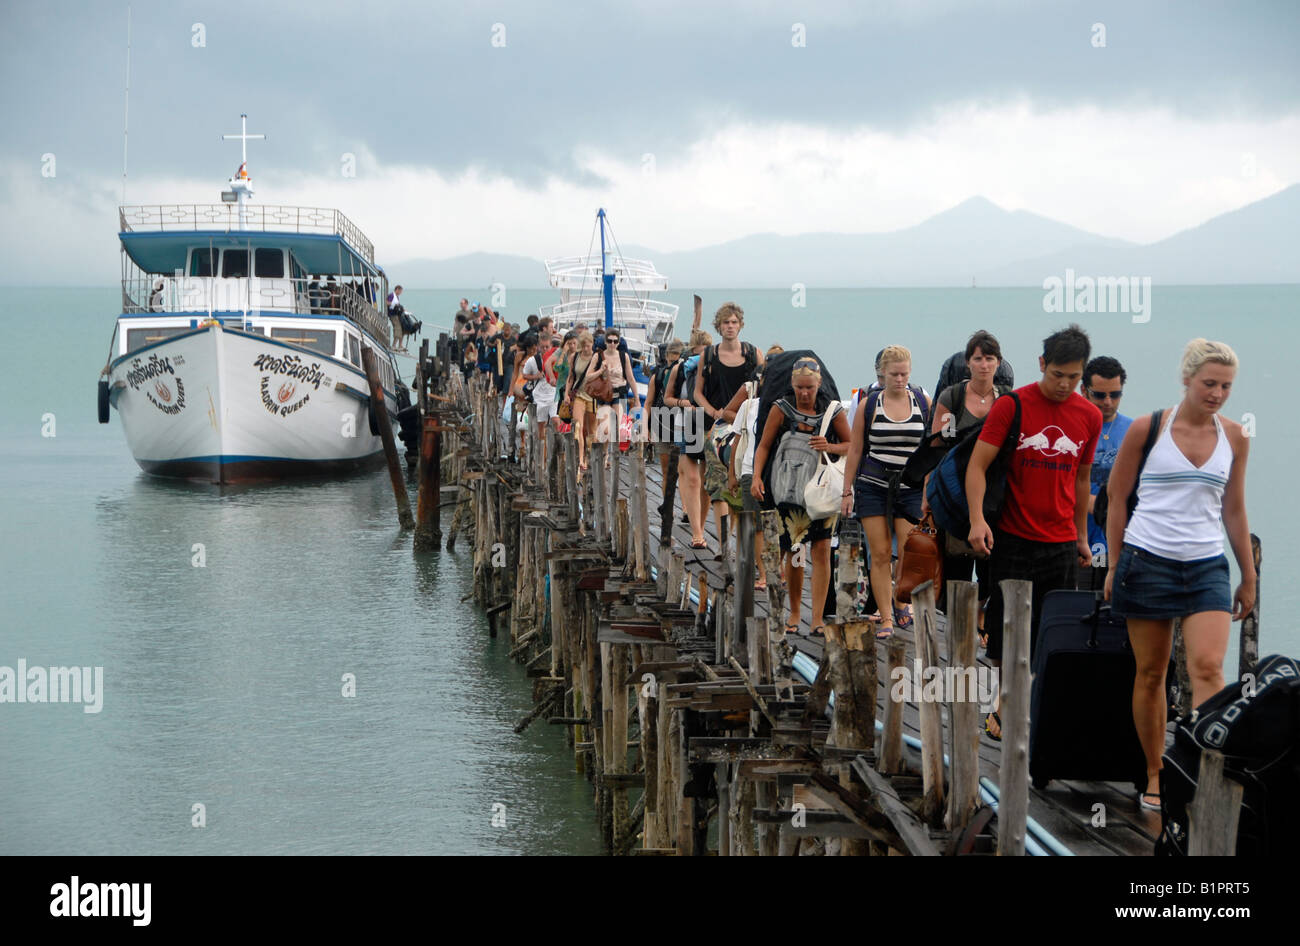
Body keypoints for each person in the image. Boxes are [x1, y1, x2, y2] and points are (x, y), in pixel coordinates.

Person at [1106, 339, 1252, 812]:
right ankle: (1155, 772)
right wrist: (1113, 563)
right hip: (1146, 560)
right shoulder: (1148, 430)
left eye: (1226, 386)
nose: (1217, 393)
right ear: (1187, 379)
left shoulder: (1234, 437)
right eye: (1209, 383)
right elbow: (1116, 497)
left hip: (1207, 564)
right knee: (1152, 673)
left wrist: (1247, 577)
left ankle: (1202, 770)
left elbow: (1233, 508)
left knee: (1208, 668)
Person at [967, 324, 1101, 741]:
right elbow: (977, 466)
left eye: (1074, 377)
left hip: (1060, 542)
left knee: (1052, 633)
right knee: (1008, 633)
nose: (1064, 385)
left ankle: (1039, 708)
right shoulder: (1013, 405)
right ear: (1042, 364)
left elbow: (1082, 481)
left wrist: (1081, 536)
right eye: (1057, 374)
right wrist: (977, 520)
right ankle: (1004, 708)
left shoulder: (1089, 416)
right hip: (1012, 537)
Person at [751, 357, 851, 636]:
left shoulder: (833, 411)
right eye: (799, 387)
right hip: (789, 491)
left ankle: (817, 617)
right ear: (792, 385)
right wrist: (757, 476)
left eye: (810, 387)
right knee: (794, 551)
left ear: (819, 384)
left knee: (821, 550)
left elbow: (851, 445)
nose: (805, 393)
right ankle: (795, 612)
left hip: (821, 492)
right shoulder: (780, 410)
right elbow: (764, 445)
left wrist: (829, 445)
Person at [927, 330, 1011, 645]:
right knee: (956, 565)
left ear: (998, 362)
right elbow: (935, 446)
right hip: (955, 492)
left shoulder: (1006, 399)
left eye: (990, 358)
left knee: (991, 565)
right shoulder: (952, 397)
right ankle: (959, 631)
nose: (984, 365)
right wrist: (928, 493)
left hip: (995, 494)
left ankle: (982, 620)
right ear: (968, 362)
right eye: (978, 358)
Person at [841, 345, 931, 639]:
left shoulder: (921, 401)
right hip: (873, 484)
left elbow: (931, 449)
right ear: (882, 373)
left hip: (910, 486)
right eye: (894, 374)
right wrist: (847, 490)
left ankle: (900, 598)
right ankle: (887, 618)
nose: (900, 379)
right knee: (879, 553)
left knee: (909, 549)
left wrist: (930, 487)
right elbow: (855, 449)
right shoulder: (870, 404)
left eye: (904, 373)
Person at [695, 302, 764, 558]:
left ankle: (743, 544)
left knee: (743, 485)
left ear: (740, 325)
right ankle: (724, 545)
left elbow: (765, 384)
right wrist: (713, 411)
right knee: (717, 487)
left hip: (746, 430)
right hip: (717, 429)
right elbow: (697, 392)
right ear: (719, 326)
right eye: (726, 323)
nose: (730, 327)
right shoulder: (710, 355)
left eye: (734, 322)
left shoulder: (752, 353)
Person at [724, 344, 784, 590]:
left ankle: (777, 570)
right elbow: (738, 441)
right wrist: (732, 475)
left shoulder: (785, 406)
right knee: (755, 525)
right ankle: (762, 572)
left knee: (779, 525)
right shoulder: (751, 405)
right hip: (750, 469)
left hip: (778, 472)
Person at [1079, 356, 1132, 589]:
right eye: (1100, 395)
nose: (1108, 402)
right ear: (1084, 390)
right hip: (1077, 539)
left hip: (1117, 543)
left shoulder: (1134, 431)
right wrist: (1093, 504)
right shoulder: (1073, 427)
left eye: (1115, 394)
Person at [663, 329, 714, 548]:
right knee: (692, 478)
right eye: (697, 354)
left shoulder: (715, 368)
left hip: (709, 424)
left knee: (706, 481)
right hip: (686, 424)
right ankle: (696, 533)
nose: (700, 359)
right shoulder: (680, 369)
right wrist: (681, 403)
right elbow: (667, 398)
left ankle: (700, 526)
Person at [645, 339, 685, 547]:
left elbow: (649, 403)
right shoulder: (659, 375)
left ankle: (676, 506)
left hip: (669, 420)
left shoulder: (668, 373)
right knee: (672, 470)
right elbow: (649, 402)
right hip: (669, 421)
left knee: (676, 470)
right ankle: (670, 505)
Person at [582, 327, 638, 465]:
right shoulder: (598, 356)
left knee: (615, 429)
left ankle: (605, 455)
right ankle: (599, 453)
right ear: (605, 342)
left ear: (618, 342)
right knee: (605, 429)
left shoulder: (623, 356)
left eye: (615, 341)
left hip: (619, 394)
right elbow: (588, 377)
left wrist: (637, 399)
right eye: (609, 341)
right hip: (604, 395)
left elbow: (631, 378)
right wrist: (601, 370)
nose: (612, 344)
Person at [564, 330, 598, 473]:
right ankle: (581, 459)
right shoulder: (575, 357)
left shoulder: (597, 358)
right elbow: (571, 377)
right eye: (583, 346)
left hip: (593, 396)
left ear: (592, 345)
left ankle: (592, 457)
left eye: (588, 346)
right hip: (579, 395)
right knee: (578, 427)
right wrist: (566, 394)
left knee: (592, 431)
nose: (585, 349)